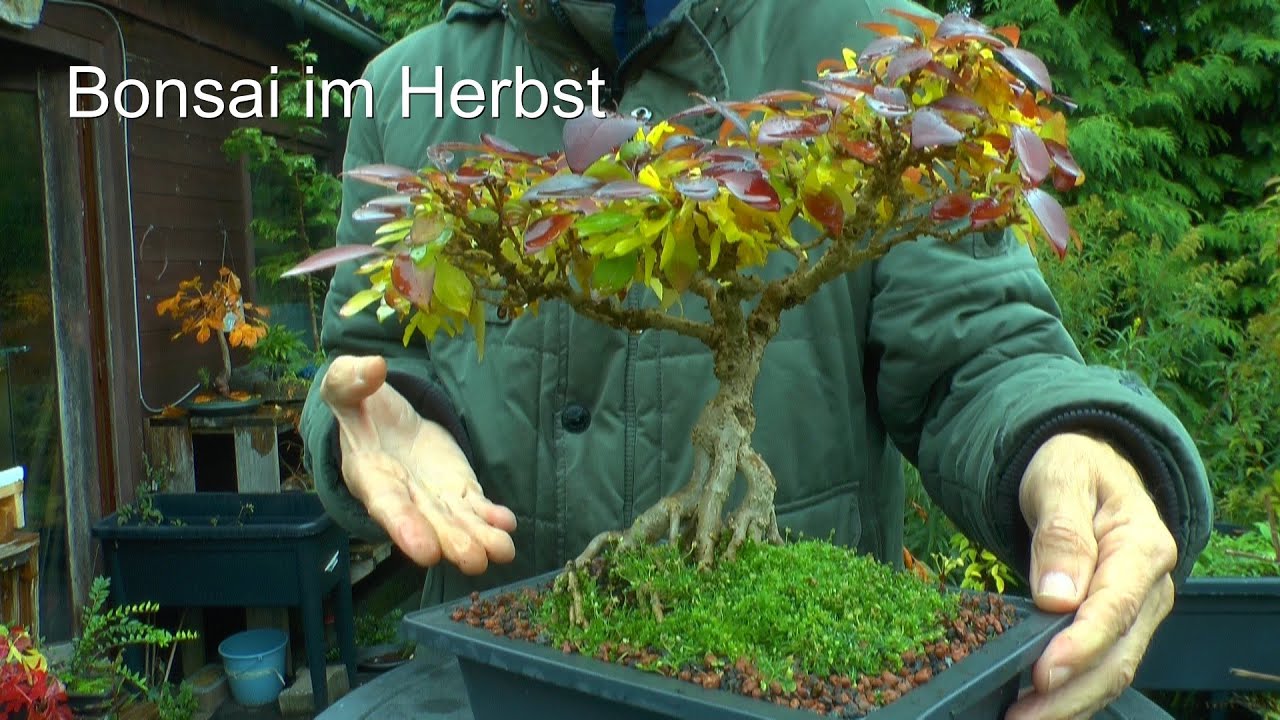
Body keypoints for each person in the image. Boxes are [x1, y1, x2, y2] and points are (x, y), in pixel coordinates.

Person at [299, 1, 1213, 718]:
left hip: (799, 677)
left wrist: (1071, 442)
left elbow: (981, 344)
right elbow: (369, 348)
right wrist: (375, 417)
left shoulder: (889, 70)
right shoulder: (406, 88)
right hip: (492, 684)